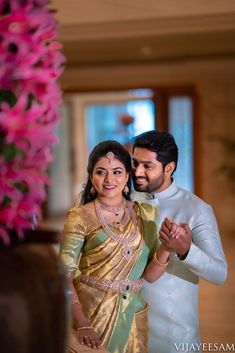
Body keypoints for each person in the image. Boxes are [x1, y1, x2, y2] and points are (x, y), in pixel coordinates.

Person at [60, 140, 184, 353]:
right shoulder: (80, 217)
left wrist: (166, 247)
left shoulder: (146, 212)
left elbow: (151, 276)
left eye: (117, 172)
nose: (109, 179)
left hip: (133, 314)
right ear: (91, 176)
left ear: (127, 175)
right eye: (101, 172)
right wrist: (82, 323)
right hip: (92, 315)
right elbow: (64, 275)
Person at [131, 130, 228, 353]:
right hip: (126, 330)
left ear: (169, 168)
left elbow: (219, 273)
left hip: (173, 337)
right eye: (135, 163)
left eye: (147, 166)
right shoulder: (124, 203)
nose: (137, 172)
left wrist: (186, 250)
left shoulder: (196, 209)